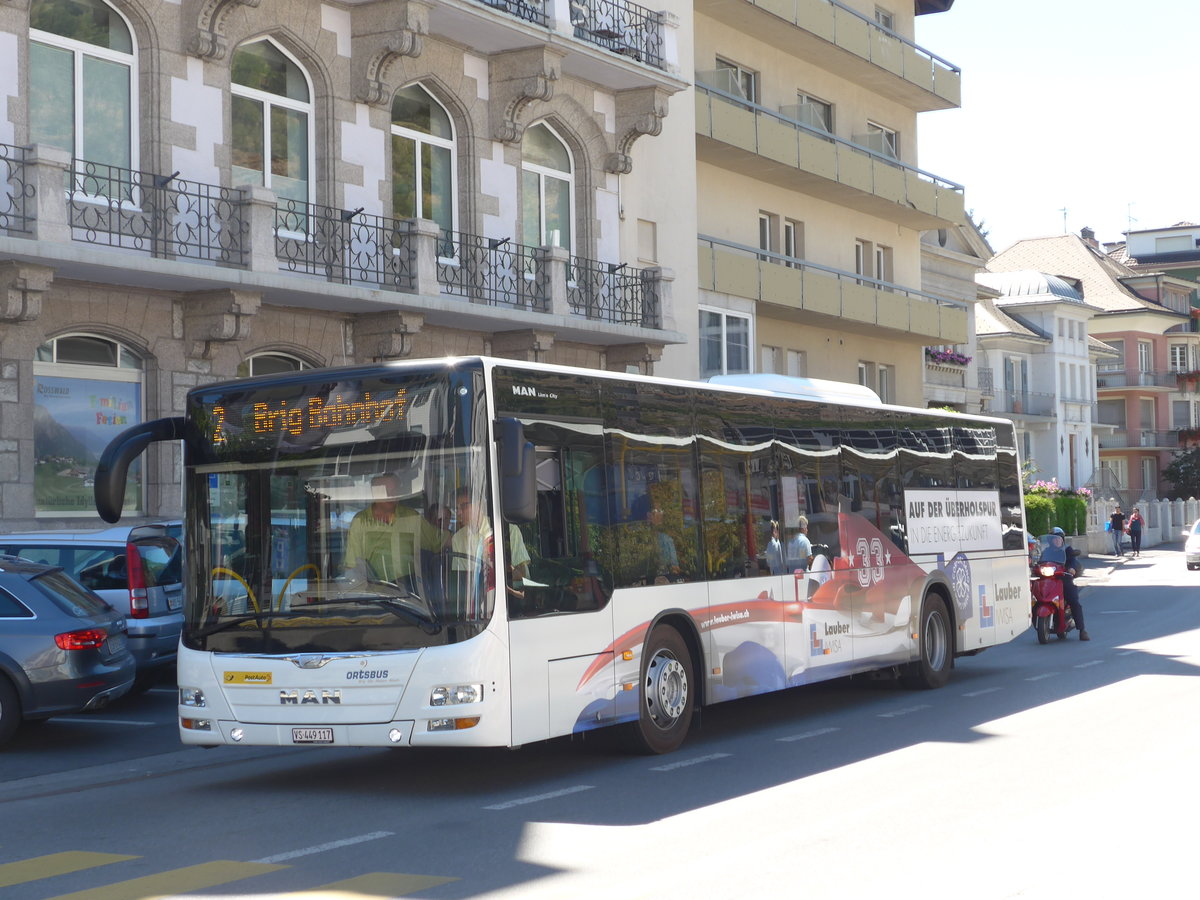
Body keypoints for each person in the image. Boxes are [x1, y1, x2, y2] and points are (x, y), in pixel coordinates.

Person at [343, 473, 443, 586]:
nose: (390, 495)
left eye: (394, 491)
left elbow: (439, 541)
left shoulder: (411, 517)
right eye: (384, 490)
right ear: (374, 492)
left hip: (411, 591)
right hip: (374, 589)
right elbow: (352, 566)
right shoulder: (360, 521)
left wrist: (462, 536)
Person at [451, 488, 530, 603]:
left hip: (508, 602)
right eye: (456, 508)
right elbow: (462, 582)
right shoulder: (457, 539)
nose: (458, 513)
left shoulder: (508, 531)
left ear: (479, 505)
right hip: (475, 605)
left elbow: (523, 579)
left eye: (463, 506)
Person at [1049, 526, 1089, 641]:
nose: (1057, 541)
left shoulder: (1067, 550)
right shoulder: (1047, 551)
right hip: (1051, 581)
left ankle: (1082, 630)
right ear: (1051, 541)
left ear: (1062, 540)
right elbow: (1041, 561)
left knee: (1074, 601)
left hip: (1064, 580)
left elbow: (1072, 560)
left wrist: (1071, 568)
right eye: (1054, 539)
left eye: (1059, 539)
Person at [648, 505, 680, 583]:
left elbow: (675, 566)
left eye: (660, 511)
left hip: (667, 577)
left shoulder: (667, 539)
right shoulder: (646, 538)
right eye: (655, 512)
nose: (659, 515)